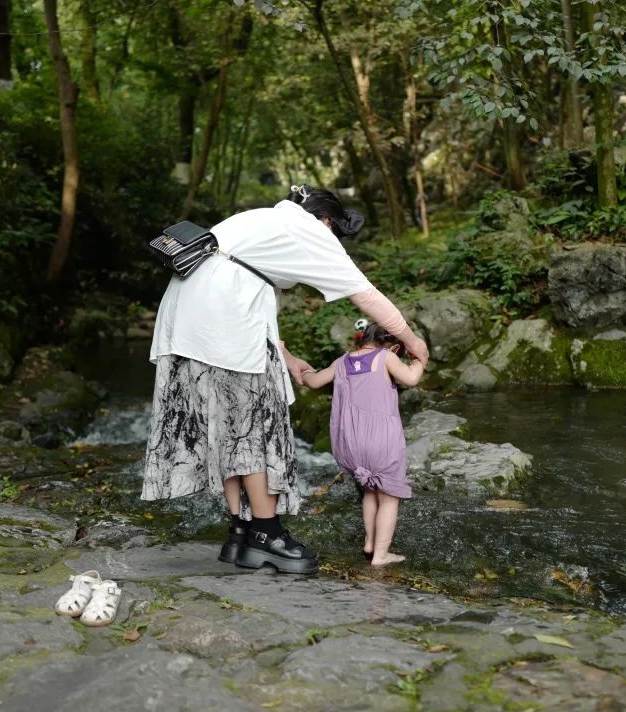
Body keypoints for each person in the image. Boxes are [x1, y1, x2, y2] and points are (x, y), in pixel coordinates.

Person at [142, 185, 429, 575]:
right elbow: (368, 297)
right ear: (327, 221)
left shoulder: (261, 220)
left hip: (189, 314)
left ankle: (241, 532)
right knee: (254, 426)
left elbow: (252, 297)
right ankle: (266, 533)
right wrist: (415, 344)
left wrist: (286, 358)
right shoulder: (310, 231)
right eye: (336, 232)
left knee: (227, 424)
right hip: (223, 319)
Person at [303, 320, 424, 566]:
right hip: (381, 439)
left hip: (351, 441)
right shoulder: (385, 358)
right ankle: (381, 555)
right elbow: (411, 379)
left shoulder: (342, 361)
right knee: (389, 496)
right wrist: (419, 360)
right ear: (393, 346)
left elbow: (314, 382)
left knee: (370, 488)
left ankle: (369, 542)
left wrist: (302, 370)